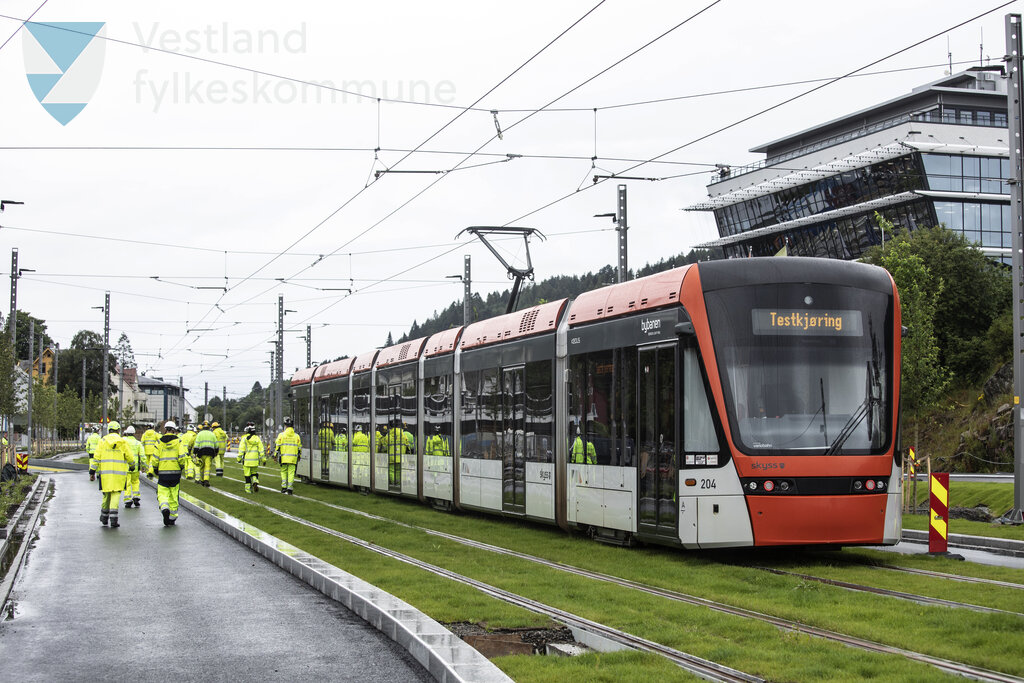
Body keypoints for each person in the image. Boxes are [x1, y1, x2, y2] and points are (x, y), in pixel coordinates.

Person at [89, 421, 135, 528]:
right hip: (119, 476)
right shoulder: (123, 442)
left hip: (105, 475)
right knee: (115, 495)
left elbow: (96, 458)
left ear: (109, 430)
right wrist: (132, 466)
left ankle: (104, 517)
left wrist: (92, 472)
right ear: (118, 430)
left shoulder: (102, 442)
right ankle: (114, 519)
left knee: (106, 495)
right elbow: (130, 457)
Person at [153, 420, 189, 526]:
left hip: (163, 473)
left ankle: (164, 508)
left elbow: (155, 458)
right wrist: (181, 466)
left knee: (162, 493)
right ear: (174, 430)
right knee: (174, 494)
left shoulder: (159, 442)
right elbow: (182, 457)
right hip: (175, 473)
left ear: (165, 430)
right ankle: (172, 518)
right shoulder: (178, 442)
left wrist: (155, 468)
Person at [274, 416, 301, 495]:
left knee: (283, 472)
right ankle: (290, 489)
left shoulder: (281, 435)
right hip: (293, 458)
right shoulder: (297, 436)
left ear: (285, 426)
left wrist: (275, 456)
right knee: (291, 472)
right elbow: (299, 448)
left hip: (283, 458)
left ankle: (283, 487)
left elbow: (277, 446)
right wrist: (299, 456)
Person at [237, 422, 265, 493]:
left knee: (247, 475)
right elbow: (261, 449)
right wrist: (263, 459)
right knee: (254, 473)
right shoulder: (257, 438)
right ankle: (255, 480)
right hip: (255, 460)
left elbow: (241, 449)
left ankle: (248, 489)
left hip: (247, 460)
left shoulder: (244, 438)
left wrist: (239, 458)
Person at [121, 425, 144, 508]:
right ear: (134, 433)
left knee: (127, 483)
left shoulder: (124, 442)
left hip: (126, 467)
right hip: (136, 467)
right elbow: (142, 455)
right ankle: (136, 496)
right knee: (135, 482)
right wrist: (144, 466)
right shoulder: (138, 443)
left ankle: (128, 500)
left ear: (127, 433)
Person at [193, 422, 218, 487]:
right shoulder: (212, 434)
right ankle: (206, 480)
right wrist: (216, 452)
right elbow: (216, 444)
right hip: (210, 452)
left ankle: (201, 480)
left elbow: (196, 444)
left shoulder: (199, 434)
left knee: (201, 467)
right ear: (209, 427)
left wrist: (194, 453)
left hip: (201, 452)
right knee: (207, 467)